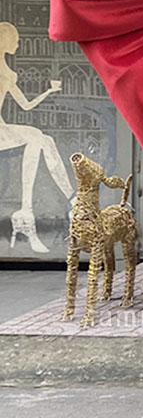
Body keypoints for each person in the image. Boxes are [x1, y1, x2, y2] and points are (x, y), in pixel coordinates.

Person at [1, 22, 72, 253]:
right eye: (15, 39)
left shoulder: (9, 74)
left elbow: (25, 105)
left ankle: (28, 211)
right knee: (36, 137)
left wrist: (48, 91)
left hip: (1, 128)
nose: (18, 43)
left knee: (43, 139)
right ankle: (31, 211)